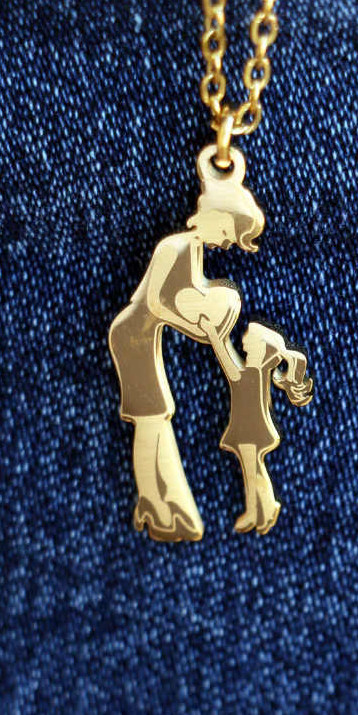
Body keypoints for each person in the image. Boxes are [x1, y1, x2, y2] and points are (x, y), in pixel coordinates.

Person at [108, 146, 264, 542]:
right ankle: (153, 501)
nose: (226, 245)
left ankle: (161, 502)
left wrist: (209, 332)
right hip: (132, 335)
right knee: (151, 414)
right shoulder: (175, 246)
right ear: (215, 217)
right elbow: (156, 302)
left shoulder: (194, 252)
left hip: (146, 335)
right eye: (228, 235)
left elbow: (185, 307)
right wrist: (197, 327)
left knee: (158, 413)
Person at [202, 320, 313, 535]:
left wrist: (215, 336)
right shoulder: (258, 371)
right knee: (253, 468)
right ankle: (264, 507)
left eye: (249, 339)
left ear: (260, 350)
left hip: (250, 428)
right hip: (252, 427)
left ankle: (257, 509)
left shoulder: (252, 372)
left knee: (252, 469)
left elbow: (228, 365)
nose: (243, 341)